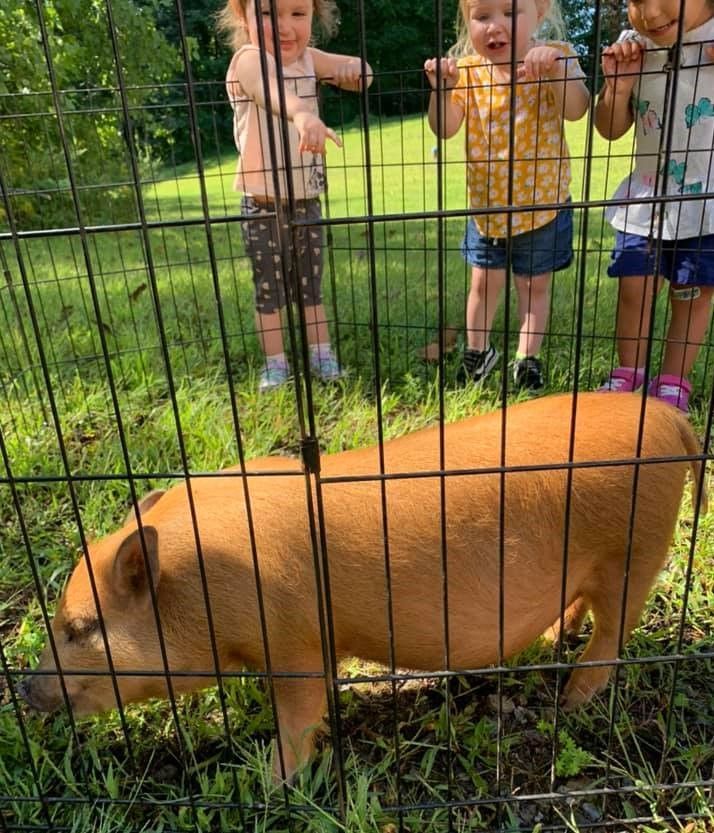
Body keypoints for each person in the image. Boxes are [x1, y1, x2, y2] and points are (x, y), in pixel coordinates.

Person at [425, 0, 589, 390]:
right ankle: (478, 352)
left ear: (540, 13)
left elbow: (577, 110)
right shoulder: (467, 71)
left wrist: (555, 72)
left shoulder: (558, 57)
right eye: (482, 17)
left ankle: (526, 358)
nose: (494, 26)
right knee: (482, 284)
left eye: (510, 13)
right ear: (468, 23)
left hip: (543, 206)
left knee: (534, 287)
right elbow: (444, 128)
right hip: (487, 211)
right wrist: (441, 91)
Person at [220, 0, 372, 390]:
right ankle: (275, 364)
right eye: (269, 14)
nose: (285, 27)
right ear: (244, 16)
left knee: (310, 284)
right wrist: (303, 113)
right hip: (261, 204)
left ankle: (321, 354)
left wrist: (353, 72)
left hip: (306, 200)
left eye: (297, 14)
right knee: (269, 288)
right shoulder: (248, 60)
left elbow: (363, 72)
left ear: (313, 17)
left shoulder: (308, 59)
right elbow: (270, 90)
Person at [594, 0, 714, 413]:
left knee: (693, 293)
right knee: (634, 286)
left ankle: (674, 383)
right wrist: (618, 87)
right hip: (646, 197)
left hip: (706, 202)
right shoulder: (633, 48)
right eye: (635, 0)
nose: (650, 11)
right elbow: (609, 129)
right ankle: (629, 374)